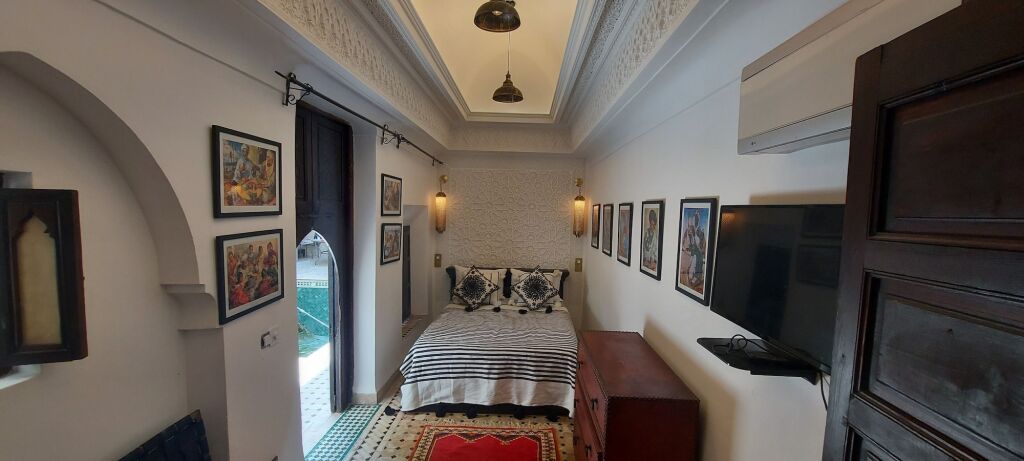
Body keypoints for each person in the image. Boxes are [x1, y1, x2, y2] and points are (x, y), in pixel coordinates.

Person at [681, 211, 707, 288]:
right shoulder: (690, 231)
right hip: (693, 250)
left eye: (697, 220)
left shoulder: (700, 232)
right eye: (695, 219)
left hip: (698, 251)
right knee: (691, 259)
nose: (695, 222)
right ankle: (689, 275)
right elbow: (690, 243)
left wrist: (698, 249)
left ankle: (696, 276)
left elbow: (701, 244)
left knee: (696, 259)